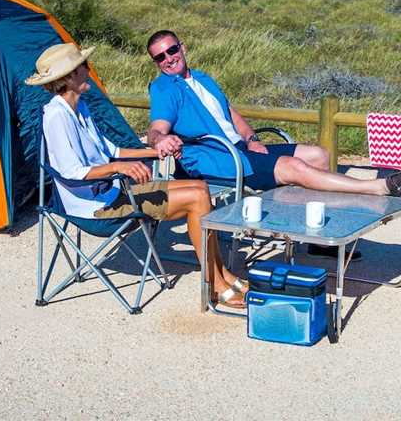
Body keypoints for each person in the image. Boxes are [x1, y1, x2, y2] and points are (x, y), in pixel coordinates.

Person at [145, 30, 401, 257]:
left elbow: (231, 114)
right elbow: (156, 129)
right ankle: (377, 188)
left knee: (318, 155)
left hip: (239, 148)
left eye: (171, 50)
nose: (169, 59)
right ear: (156, 62)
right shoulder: (164, 89)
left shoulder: (203, 78)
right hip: (218, 158)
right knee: (292, 167)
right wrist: (160, 139)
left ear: (183, 47)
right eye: (160, 57)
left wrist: (251, 139)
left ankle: (322, 241)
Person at [26, 42, 246, 309]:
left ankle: (221, 273)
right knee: (195, 200)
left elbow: (112, 150)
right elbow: (71, 172)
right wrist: (119, 168)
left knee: (201, 188)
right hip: (95, 208)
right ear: (68, 77)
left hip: (112, 192)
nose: (89, 70)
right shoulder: (56, 116)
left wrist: (159, 151)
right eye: (84, 66)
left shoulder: (80, 107)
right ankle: (215, 285)